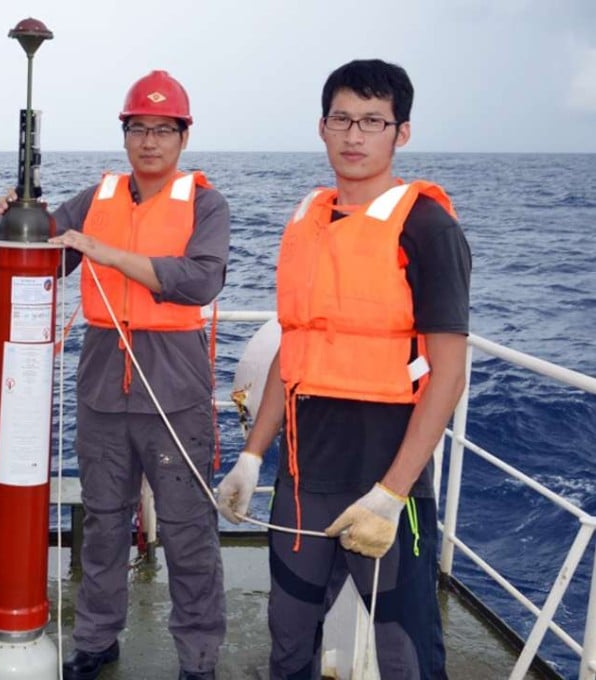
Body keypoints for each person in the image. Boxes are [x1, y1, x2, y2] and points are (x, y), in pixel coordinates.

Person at [216, 59, 471, 678]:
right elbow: (295, 348)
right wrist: (252, 456)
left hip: (387, 476)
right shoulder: (307, 222)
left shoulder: (428, 228)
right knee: (288, 636)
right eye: (342, 120)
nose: (355, 136)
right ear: (322, 127)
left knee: (405, 652)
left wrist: (391, 495)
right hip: (305, 476)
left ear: (400, 133)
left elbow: (449, 373)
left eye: (373, 122)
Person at [0, 70, 229, 680]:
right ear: (124, 134)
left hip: (175, 387)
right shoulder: (95, 197)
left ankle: (199, 659)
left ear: (183, 137)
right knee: (102, 522)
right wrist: (20, 215)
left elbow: (200, 280)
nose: (149, 141)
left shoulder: (206, 203)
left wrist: (108, 253)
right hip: (103, 380)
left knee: (187, 532)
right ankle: (97, 640)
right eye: (138, 129)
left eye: (162, 129)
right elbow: (52, 246)